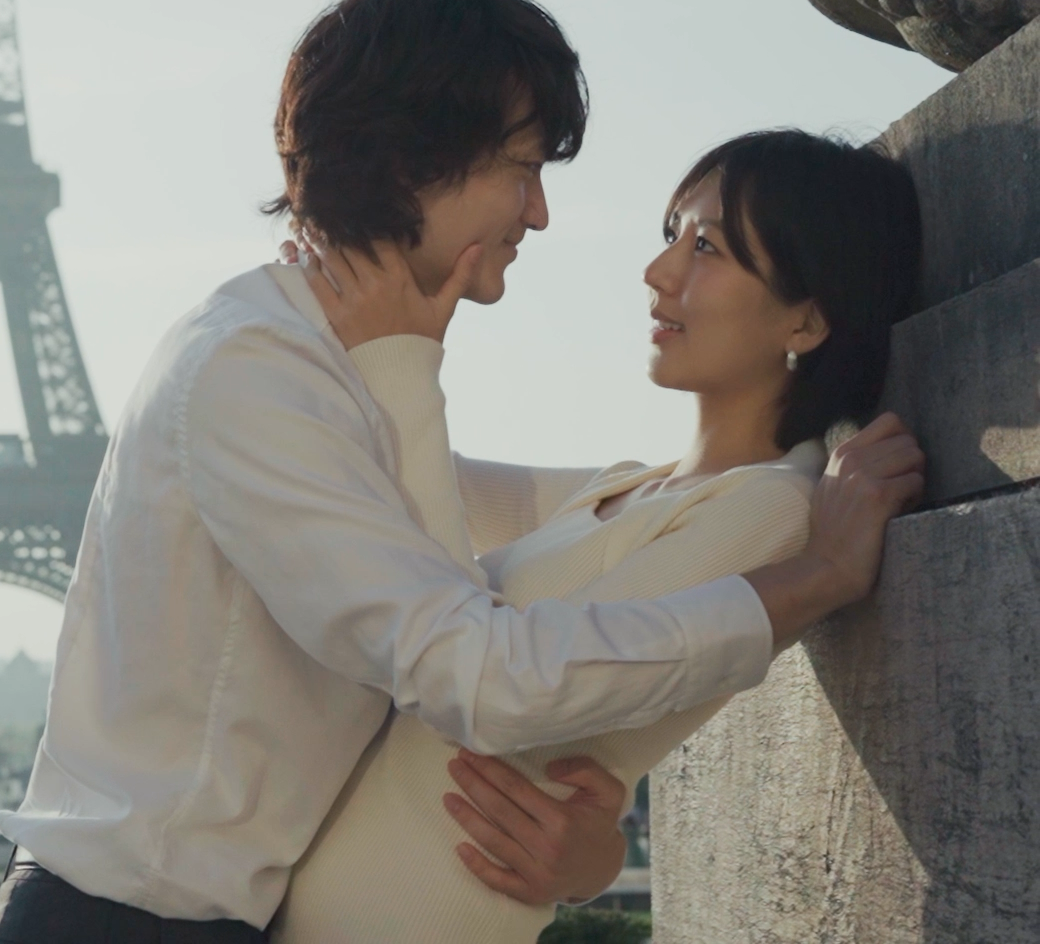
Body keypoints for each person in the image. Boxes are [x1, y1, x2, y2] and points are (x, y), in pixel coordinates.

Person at [0, 0, 923, 944]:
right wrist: (815, 580)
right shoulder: (259, 373)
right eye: (523, 169)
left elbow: (554, 539)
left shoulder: (306, 360)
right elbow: (479, 672)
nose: (541, 212)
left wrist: (594, 847)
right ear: (411, 163)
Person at [272, 128, 922, 943]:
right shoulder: (627, 487)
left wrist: (402, 352)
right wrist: (363, 307)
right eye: (671, 236)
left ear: (806, 319)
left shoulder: (774, 512)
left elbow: (506, 678)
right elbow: (408, 475)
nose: (660, 272)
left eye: (708, 247)